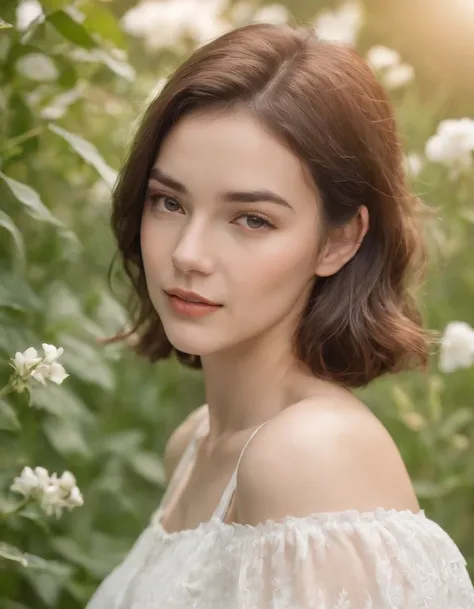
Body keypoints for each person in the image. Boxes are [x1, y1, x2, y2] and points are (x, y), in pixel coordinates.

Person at [86, 22, 474, 609]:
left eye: (252, 219)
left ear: (337, 241)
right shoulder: (194, 445)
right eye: (169, 201)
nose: (187, 254)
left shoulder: (307, 455)